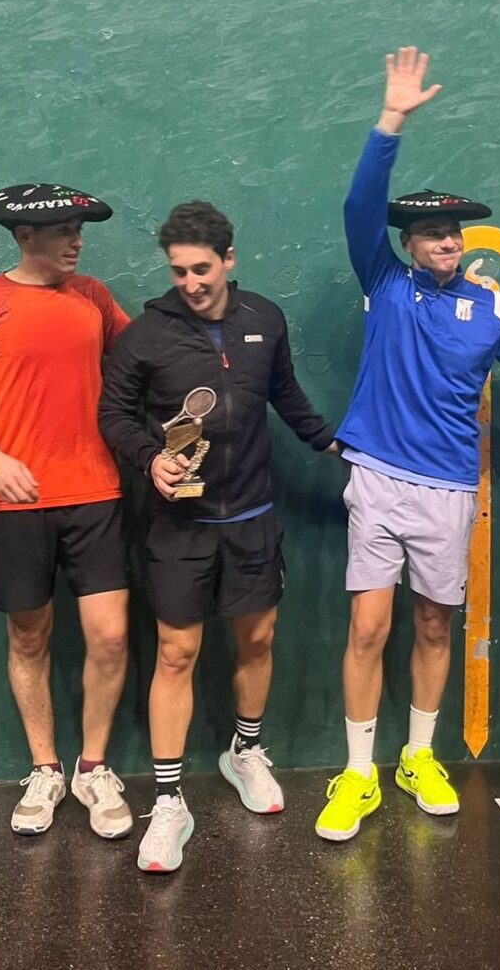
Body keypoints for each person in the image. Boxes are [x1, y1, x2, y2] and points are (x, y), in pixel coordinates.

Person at [314, 48, 500, 843]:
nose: (446, 241)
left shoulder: (490, 308)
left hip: (450, 490)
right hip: (379, 479)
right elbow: (359, 205)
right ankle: (358, 772)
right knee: (368, 628)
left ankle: (418, 756)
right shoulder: (384, 282)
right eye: (430, 233)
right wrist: (391, 120)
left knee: (431, 627)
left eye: (452, 232)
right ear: (410, 244)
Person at [99, 200, 338, 873]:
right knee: (176, 654)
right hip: (180, 527)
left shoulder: (264, 318)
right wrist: (151, 459)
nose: (190, 283)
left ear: (228, 260)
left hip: (252, 518)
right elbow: (112, 414)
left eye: (201, 269)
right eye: (178, 271)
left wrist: (336, 444)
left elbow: (286, 397)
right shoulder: (146, 336)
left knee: (256, 641)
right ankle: (168, 801)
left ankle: (245, 751)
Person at [0, 184, 134, 839]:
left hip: (96, 494)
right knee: (28, 637)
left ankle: (92, 768)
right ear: (25, 237)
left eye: (80, 229)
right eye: (64, 231)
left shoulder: (94, 297)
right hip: (14, 502)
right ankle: (45, 769)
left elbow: (146, 362)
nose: (77, 240)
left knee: (110, 636)